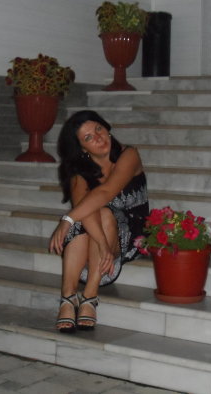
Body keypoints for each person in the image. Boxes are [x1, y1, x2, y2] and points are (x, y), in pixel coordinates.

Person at [48, 110, 149, 332]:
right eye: (88, 138)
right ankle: (68, 297)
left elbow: (105, 192)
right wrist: (102, 243)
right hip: (100, 234)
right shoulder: (78, 171)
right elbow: (85, 211)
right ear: (83, 148)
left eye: (98, 129)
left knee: (93, 213)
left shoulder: (129, 154)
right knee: (88, 215)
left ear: (107, 128)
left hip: (131, 231)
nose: (98, 138)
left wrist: (66, 220)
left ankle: (90, 295)